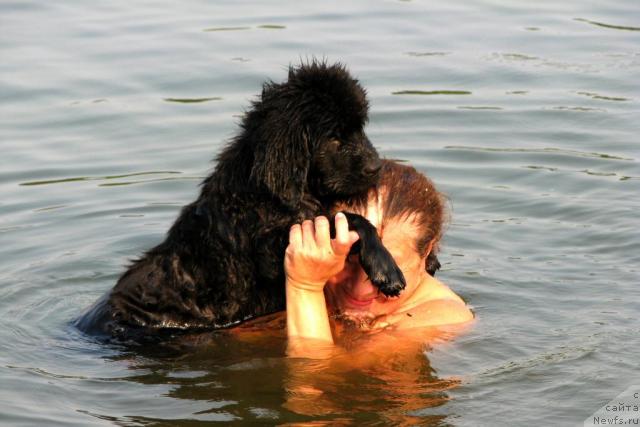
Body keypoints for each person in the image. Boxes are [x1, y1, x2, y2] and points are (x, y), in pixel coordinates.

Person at [284, 160, 473, 355]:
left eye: (387, 265)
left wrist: (305, 286)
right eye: (347, 260)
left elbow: (313, 380)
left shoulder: (443, 318)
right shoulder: (304, 270)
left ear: (426, 252)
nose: (361, 290)